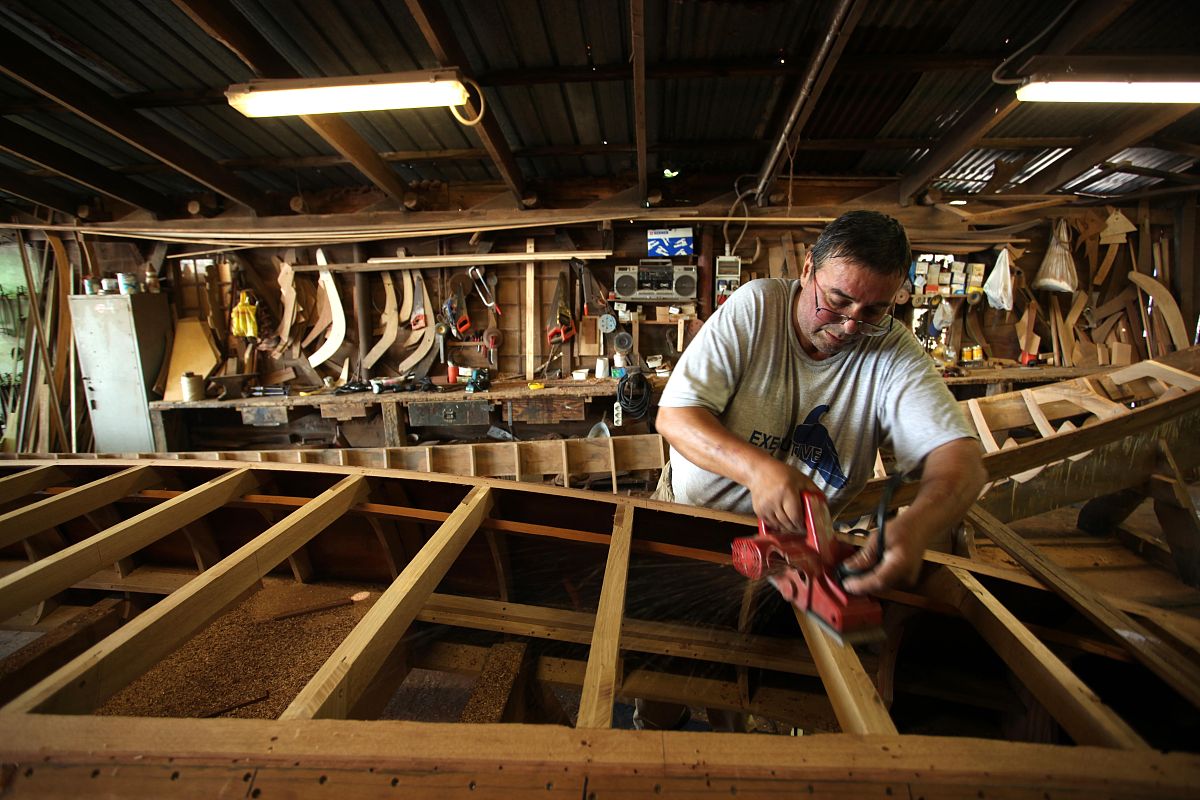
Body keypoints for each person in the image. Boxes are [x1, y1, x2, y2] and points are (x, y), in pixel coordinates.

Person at [656, 210, 985, 598]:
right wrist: (759, 471)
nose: (850, 326)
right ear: (809, 266)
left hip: (801, 555)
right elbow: (675, 417)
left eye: (874, 311)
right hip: (690, 521)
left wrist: (916, 527)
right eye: (838, 300)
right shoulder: (757, 308)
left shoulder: (895, 353)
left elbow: (963, 463)